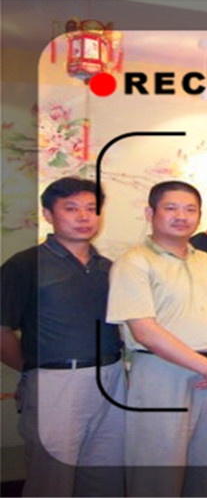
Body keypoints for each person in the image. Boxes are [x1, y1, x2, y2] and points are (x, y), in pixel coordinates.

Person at [107, 180, 207, 497]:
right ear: (150, 213)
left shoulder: (206, 260)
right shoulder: (134, 261)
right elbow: (144, 330)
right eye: (171, 208)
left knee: (204, 467)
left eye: (190, 209)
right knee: (157, 470)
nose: (182, 216)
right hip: (161, 372)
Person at [0, 177, 125, 497]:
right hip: (55, 381)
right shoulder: (25, 264)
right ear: (48, 214)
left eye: (91, 209)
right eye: (71, 208)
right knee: (52, 479)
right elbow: (1, 331)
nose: (84, 216)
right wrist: (33, 370)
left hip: (112, 377)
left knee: (106, 475)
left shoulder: (110, 268)